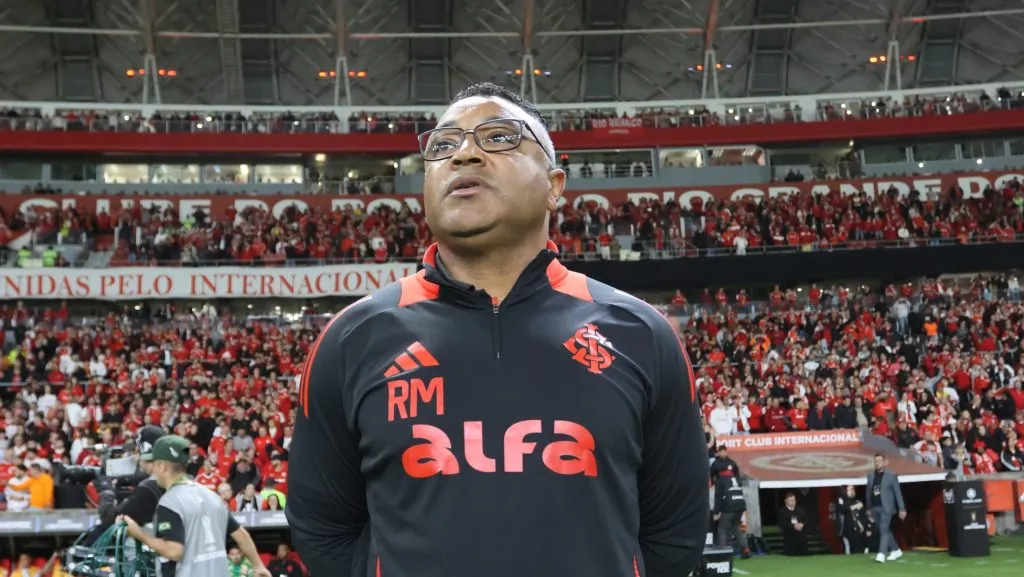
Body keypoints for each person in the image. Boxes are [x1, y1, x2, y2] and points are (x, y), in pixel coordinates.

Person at [286, 81, 709, 577]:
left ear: (555, 186)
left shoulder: (640, 333)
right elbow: (322, 530)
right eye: (443, 145)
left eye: (498, 137)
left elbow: (674, 533)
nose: (464, 154)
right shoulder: (353, 338)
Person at [118, 435, 271, 577]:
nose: (153, 470)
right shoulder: (212, 496)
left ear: (163, 466)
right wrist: (258, 565)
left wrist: (139, 534)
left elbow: (174, 551)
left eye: (155, 464)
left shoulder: (169, 502)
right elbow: (241, 535)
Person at [864, 453, 907, 563]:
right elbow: (868, 492)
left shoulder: (891, 475)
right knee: (884, 530)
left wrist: (902, 508)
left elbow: (897, 493)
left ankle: (881, 554)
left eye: (879, 461)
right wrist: (868, 508)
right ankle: (896, 550)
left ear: (884, 462)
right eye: (875, 461)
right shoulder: (870, 475)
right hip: (874, 507)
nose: (877, 463)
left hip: (887, 507)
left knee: (883, 529)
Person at [712, 470, 750, 558]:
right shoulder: (736, 478)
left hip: (729, 506)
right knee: (736, 527)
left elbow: (718, 497)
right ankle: (745, 549)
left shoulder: (720, 480)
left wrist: (716, 512)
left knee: (722, 528)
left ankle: (723, 552)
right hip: (741, 505)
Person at [835, 485, 869, 554]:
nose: (852, 491)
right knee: (847, 547)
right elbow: (843, 509)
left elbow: (862, 516)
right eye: (850, 490)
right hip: (846, 529)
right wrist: (855, 506)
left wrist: (862, 525)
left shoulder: (857, 501)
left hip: (857, 529)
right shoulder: (841, 500)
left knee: (858, 548)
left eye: (853, 489)